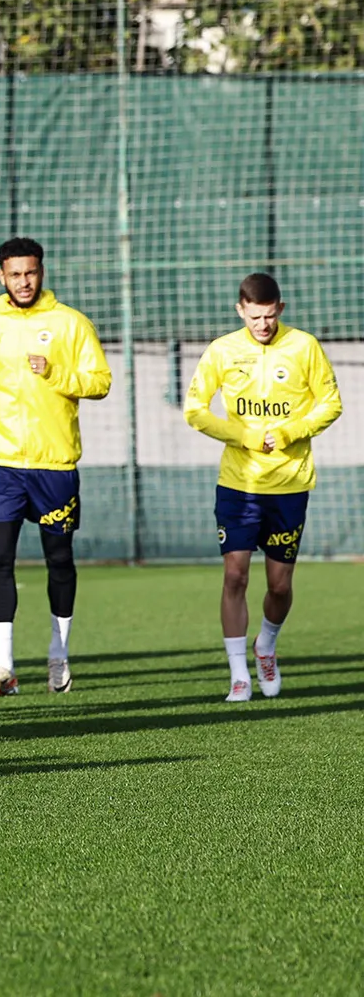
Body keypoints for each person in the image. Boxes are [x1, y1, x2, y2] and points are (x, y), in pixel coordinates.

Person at [184, 273, 340, 701]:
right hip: (238, 484)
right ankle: (238, 674)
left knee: (279, 586)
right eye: (255, 317)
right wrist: (244, 435)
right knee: (234, 575)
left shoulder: (304, 346)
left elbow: (331, 404)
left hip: (289, 484)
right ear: (241, 310)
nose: (263, 325)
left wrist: (290, 431)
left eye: (270, 317)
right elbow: (195, 410)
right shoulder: (223, 350)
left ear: (281, 310)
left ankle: (266, 646)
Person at [0, 238, 110, 695]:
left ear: (42, 271)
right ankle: (3, 666)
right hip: (2, 463)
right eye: (15, 274)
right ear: (1, 276)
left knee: (60, 560)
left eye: (30, 273)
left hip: (55, 465)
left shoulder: (71, 323)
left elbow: (100, 382)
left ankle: (59, 654)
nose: (23, 281)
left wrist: (55, 373)